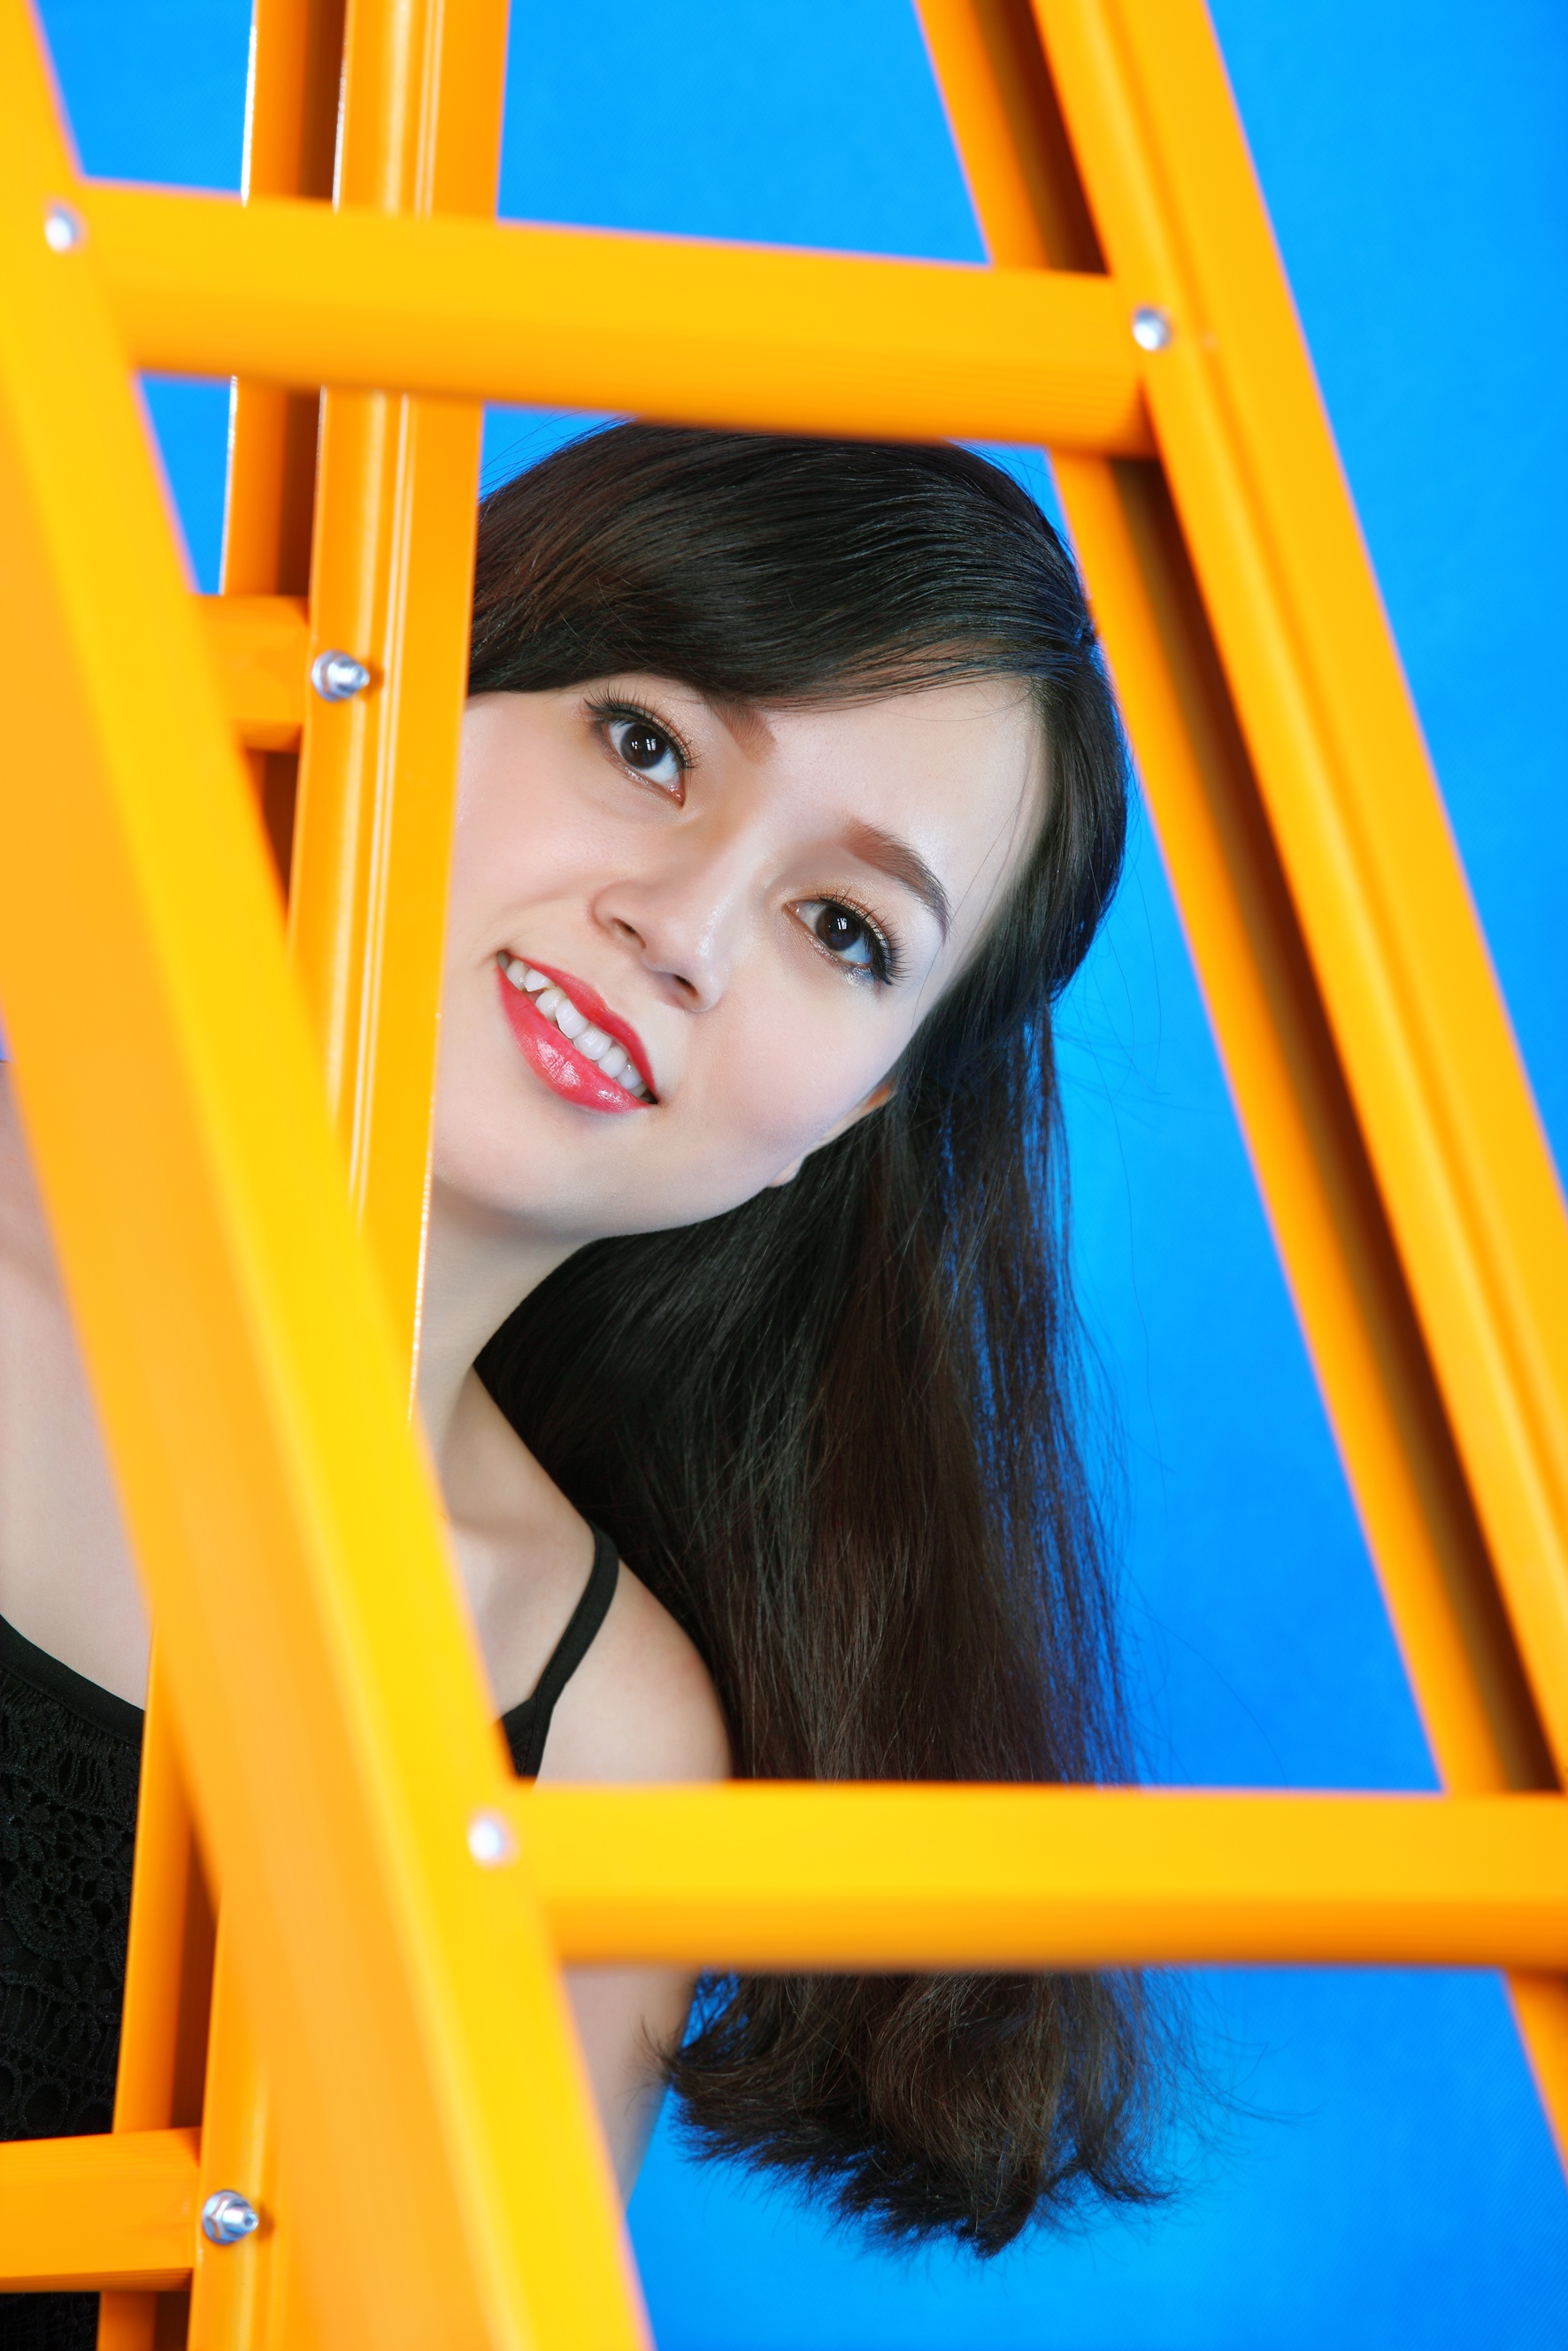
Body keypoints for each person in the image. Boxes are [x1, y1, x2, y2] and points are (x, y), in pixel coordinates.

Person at [0, 426, 1164, 2343]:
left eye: (844, 929)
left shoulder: (599, 1726)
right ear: (403, 677)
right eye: (648, 742)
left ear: (855, 1110)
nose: (683, 931)